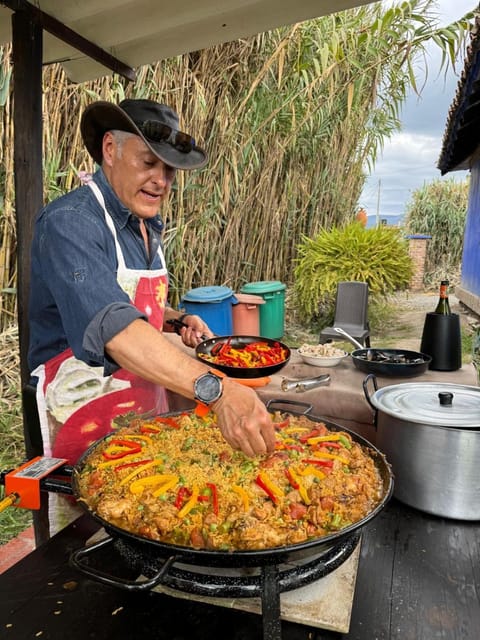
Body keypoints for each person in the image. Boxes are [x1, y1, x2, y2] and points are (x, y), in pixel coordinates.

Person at [28, 98, 276, 483]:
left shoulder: (145, 224)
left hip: (142, 417)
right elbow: (114, 326)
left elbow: (127, 300)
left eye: (169, 170)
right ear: (110, 149)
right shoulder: (69, 224)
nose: (161, 180)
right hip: (78, 417)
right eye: (148, 163)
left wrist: (175, 320)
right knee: (82, 530)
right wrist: (218, 391)